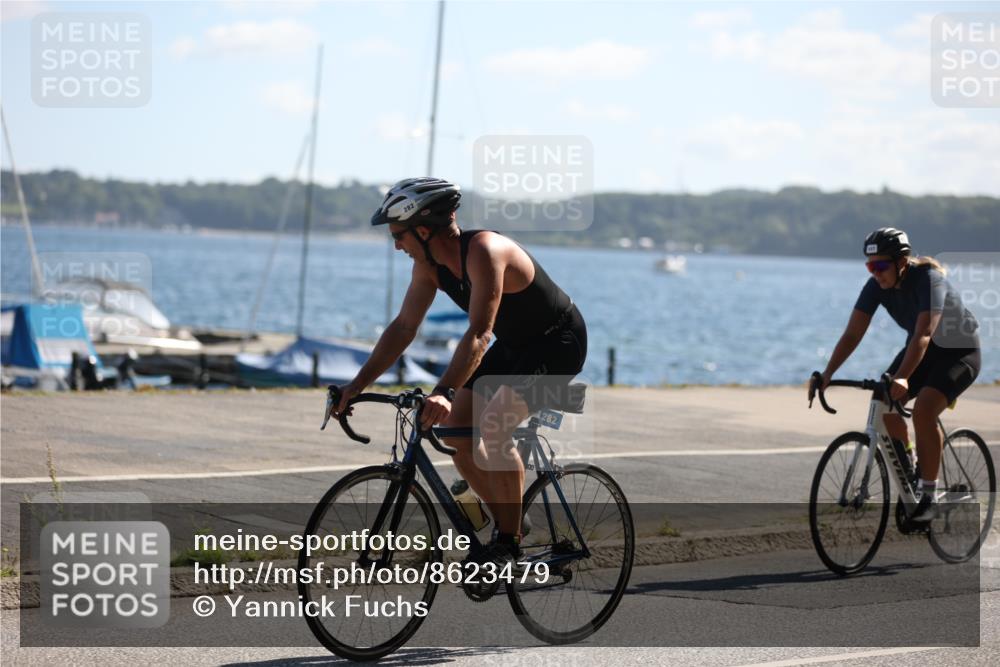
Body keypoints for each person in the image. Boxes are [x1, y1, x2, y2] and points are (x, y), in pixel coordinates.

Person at [331, 177, 587, 563]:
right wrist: (356, 384)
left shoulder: (484, 250)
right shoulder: (429, 266)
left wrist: (444, 391)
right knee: (455, 436)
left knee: (497, 424)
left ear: (423, 229)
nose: (396, 245)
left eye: (398, 235)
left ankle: (508, 542)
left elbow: (480, 334)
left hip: (558, 343)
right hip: (515, 346)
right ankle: (511, 519)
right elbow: (404, 327)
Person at [812, 227, 981, 521]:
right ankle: (913, 467)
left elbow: (924, 334)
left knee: (924, 410)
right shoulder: (875, 285)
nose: (875, 273)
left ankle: (928, 494)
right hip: (922, 352)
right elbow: (853, 333)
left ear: (902, 262)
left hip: (957, 353)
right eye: (870, 266)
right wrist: (827, 373)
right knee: (883, 400)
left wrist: (903, 377)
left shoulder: (930, 280)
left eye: (880, 266)